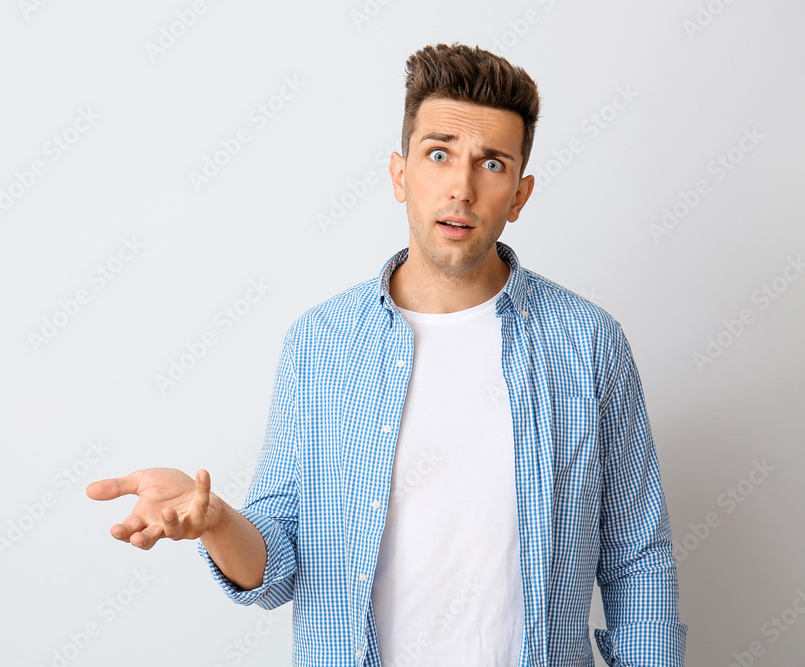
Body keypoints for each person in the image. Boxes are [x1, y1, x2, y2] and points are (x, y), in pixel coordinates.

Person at [87, 42, 688, 666]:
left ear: (520, 194)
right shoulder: (321, 345)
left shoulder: (588, 344)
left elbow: (639, 561)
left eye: (491, 164)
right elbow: (280, 563)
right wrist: (214, 522)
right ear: (401, 175)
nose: (461, 186)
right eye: (439, 154)